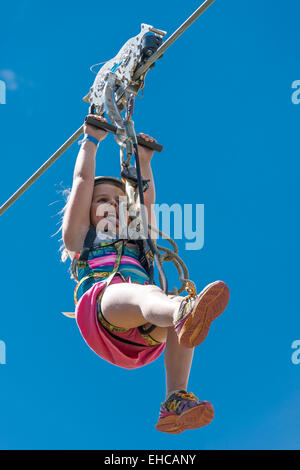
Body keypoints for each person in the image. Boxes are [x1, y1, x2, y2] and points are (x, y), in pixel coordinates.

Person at [61, 114, 230, 434]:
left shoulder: (137, 239)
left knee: (170, 306)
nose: (112, 205)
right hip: (105, 308)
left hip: (141, 330)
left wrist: (142, 159)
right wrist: (90, 142)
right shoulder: (82, 237)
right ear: (87, 210)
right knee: (156, 297)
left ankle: (175, 398)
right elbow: (82, 182)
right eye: (102, 201)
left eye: (118, 201)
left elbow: (145, 201)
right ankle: (182, 311)